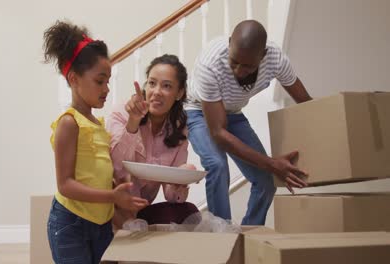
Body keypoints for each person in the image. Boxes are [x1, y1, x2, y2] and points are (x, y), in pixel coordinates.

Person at [185, 20, 313, 225]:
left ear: (262, 56)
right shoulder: (209, 65)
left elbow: (306, 104)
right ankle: (222, 235)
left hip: (233, 112)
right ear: (229, 45)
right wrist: (272, 163)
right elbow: (218, 132)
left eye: (248, 66)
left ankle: (250, 235)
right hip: (198, 110)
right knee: (217, 165)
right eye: (234, 61)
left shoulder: (275, 59)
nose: (238, 70)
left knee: (266, 182)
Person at [43, 21, 148, 264]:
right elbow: (65, 184)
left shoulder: (98, 124)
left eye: (108, 81)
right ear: (74, 79)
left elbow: (94, 171)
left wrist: (117, 186)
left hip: (100, 222)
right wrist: (112, 196)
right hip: (71, 222)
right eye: (100, 81)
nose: (107, 88)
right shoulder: (69, 123)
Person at [107, 54, 199, 228]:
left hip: (140, 213)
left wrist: (180, 182)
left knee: (189, 212)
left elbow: (170, 196)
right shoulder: (122, 113)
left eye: (166, 86)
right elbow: (117, 168)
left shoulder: (179, 129)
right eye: (152, 83)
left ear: (179, 93)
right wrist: (133, 122)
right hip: (113, 210)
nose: (156, 92)